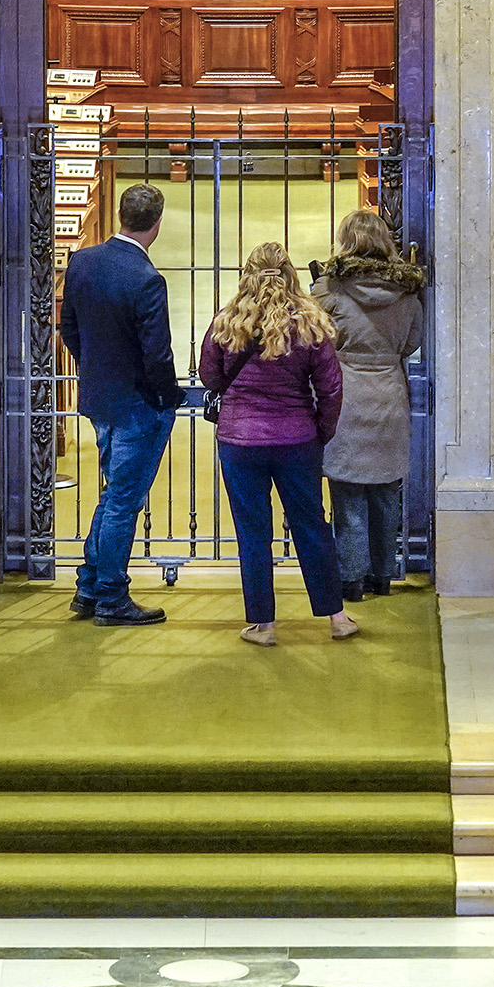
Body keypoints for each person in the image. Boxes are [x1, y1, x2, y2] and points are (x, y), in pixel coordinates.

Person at [199, 242, 357, 646]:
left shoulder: (227, 321)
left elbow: (211, 377)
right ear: (290, 273)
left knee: (253, 531)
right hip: (297, 438)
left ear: (247, 274)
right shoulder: (310, 322)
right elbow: (331, 388)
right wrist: (321, 432)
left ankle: (263, 625)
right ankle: (337, 617)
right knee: (311, 526)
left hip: (239, 440)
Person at [59, 183, 184, 626]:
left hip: (98, 396)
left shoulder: (83, 262)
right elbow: (157, 354)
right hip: (137, 404)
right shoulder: (147, 279)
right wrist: (167, 398)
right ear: (157, 223)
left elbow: (67, 328)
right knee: (123, 502)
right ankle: (111, 597)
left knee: (113, 494)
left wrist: (96, 365)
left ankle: (89, 586)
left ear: (120, 216)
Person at [312, 211, 427, 601]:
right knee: (385, 489)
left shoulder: (329, 290)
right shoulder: (408, 292)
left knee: (348, 492)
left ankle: (351, 580)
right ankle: (382, 574)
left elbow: (318, 341)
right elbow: (412, 343)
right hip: (389, 394)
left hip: (346, 393)